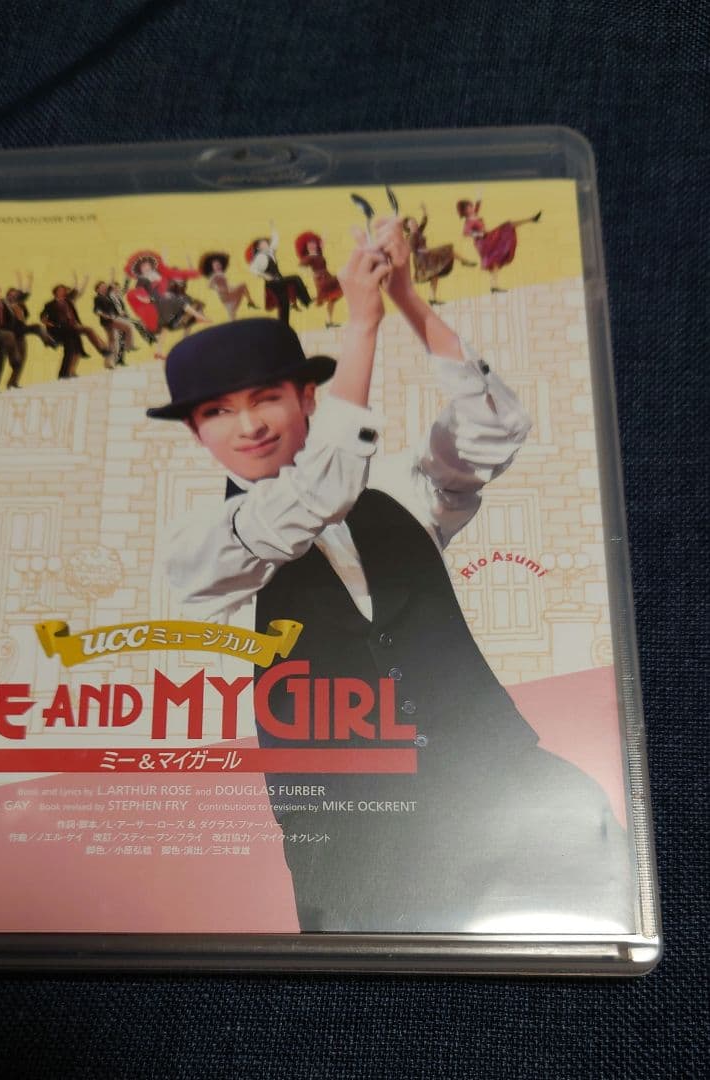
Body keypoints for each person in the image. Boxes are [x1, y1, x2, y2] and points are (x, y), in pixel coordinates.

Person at [146, 218, 632, 934]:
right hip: (354, 837)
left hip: (495, 780)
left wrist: (406, 299)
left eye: (266, 398)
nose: (248, 427)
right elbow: (318, 493)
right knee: (378, 985)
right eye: (218, 412)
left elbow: (495, 429)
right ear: (196, 432)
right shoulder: (200, 548)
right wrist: (360, 328)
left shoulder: (399, 494)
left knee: (600, 903)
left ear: (309, 398)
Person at [124, 251, 209, 358]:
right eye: (143, 267)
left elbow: (177, 275)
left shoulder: (160, 274)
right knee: (179, 301)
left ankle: (158, 352)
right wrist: (145, 298)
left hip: (166, 302)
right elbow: (140, 291)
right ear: (140, 270)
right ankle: (198, 317)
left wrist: (197, 273)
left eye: (147, 265)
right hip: (157, 302)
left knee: (165, 327)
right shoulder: (142, 279)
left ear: (151, 265)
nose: (146, 268)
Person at [457, 197, 542, 292]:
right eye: (469, 207)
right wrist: (480, 234)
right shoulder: (469, 221)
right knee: (508, 225)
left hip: (488, 238)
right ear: (465, 211)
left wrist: (479, 194)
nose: (471, 208)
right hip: (483, 242)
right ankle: (532, 219)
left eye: (471, 206)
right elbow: (465, 233)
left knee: (495, 262)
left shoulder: (474, 214)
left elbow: (477, 205)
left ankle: (494, 286)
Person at [403, 204, 475, 304]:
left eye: (415, 222)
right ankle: (464, 261)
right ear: (407, 226)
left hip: (428, 256)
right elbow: (413, 250)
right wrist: (424, 251)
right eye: (412, 223)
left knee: (435, 276)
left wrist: (424, 210)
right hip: (422, 259)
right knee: (448, 250)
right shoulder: (411, 237)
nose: (414, 223)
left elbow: (424, 221)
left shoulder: (418, 231)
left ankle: (432, 298)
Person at [40, 281, 111, 379]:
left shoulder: (69, 301)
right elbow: (42, 317)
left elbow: (77, 293)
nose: (63, 292)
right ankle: (101, 350)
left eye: (64, 290)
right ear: (55, 292)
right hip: (60, 329)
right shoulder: (49, 304)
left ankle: (67, 373)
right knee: (81, 340)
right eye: (60, 290)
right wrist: (48, 323)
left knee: (76, 347)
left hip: (73, 327)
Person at [246, 225, 311, 324]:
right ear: (258, 247)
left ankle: (284, 325)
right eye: (263, 243)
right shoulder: (260, 257)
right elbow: (252, 269)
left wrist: (273, 227)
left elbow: (275, 240)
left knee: (284, 303)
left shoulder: (270, 252)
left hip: (278, 281)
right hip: (274, 282)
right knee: (295, 278)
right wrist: (265, 275)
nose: (266, 243)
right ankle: (306, 301)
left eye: (266, 242)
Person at [5, 271, 57, 385]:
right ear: (8, 296)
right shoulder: (6, 305)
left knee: (23, 357)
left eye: (15, 295)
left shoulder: (20, 303)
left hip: (21, 330)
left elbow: (26, 292)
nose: (14, 296)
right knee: (16, 360)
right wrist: (19, 278)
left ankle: (13, 383)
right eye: (11, 295)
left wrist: (30, 280)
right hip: (12, 333)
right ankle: (11, 383)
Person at [295, 231, 343, 327]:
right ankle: (313, 299)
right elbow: (301, 267)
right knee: (331, 295)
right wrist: (311, 274)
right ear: (306, 246)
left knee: (332, 300)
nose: (312, 245)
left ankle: (329, 322)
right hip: (321, 280)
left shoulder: (319, 253)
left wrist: (323, 238)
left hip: (328, 276)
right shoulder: (308, 258)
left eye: (313, 243)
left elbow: (322, 245)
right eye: (309, 244)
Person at [199, 252, 258, 319]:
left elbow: (226, 285)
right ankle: (250, 302)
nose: (218, 266)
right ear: (213, 267)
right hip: (225, 295)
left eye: (219, 264)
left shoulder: (221, 274)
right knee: (243, 285)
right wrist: (217, 289)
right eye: (215, 265)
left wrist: (231, 287)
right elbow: (209, 285)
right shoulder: (215, 275)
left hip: (227, 294)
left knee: (232, 313)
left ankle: (249, 303)